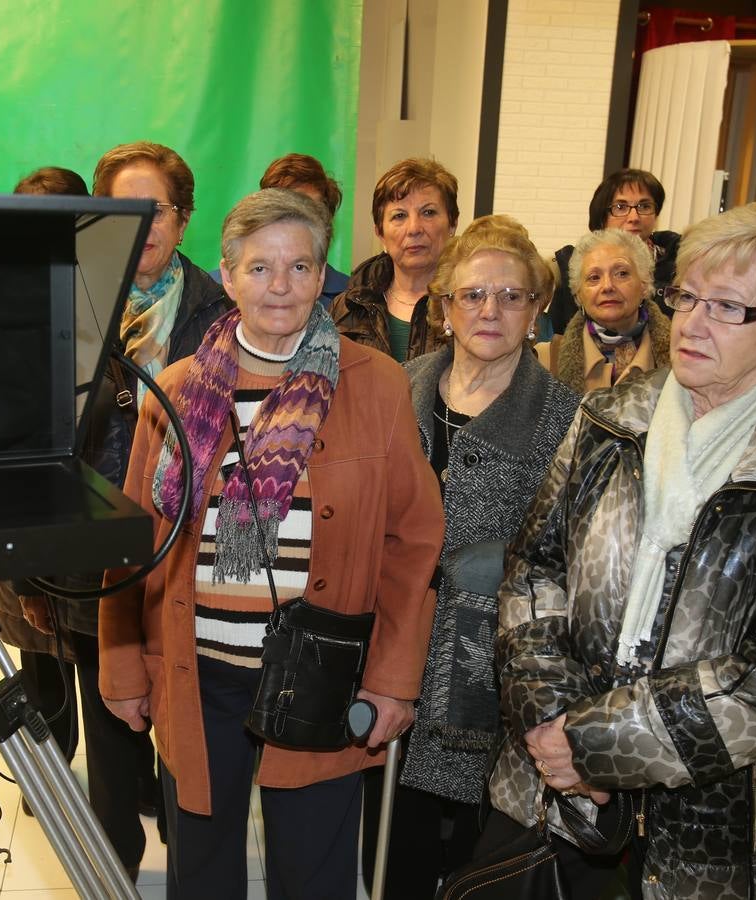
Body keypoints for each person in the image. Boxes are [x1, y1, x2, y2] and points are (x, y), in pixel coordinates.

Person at [489, 202, 756, 898]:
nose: (693, 323)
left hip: (713, 830)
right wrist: (552, 720)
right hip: (551, 791)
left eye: (729, 308)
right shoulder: (608, 416)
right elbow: (533, 569)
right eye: (688, 296)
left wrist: (596, 746)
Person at [99, 188, 443, 899]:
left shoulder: (374, 383)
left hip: (320, 677)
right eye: (259, 268)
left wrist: (391, 678)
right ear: (227, 276)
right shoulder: (177, 389)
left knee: (312, 875)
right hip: (198, 676)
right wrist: (123, 669)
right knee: (202, 873)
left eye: (298, 267)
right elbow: (132, 544)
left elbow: (412, 542)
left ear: (323, 276)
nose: (278, 286)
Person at [0, 144, 230, 880]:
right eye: (122, 208)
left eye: (156, 207)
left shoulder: (220, 314)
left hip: (190, 547)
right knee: (107, 713)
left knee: (189, 719)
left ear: (183, 219)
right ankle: (110, 866)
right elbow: (32, 448)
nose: (141, 224)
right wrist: (32, 570)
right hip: (91, 550)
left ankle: (195, 863)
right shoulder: (63, 304)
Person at [360, 216, 579, 898]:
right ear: (445, 305)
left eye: (512, 296)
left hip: (492, 671)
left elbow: (569, 552)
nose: (491, 309)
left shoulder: (568, 417)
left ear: (537, 310)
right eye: (474, 294)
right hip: (391, 639)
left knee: (472, 855)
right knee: (390, 843)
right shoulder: (401, 382)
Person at [0, 165, 94, 772]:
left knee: (104, 661)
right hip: (20, 511)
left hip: (91, 511)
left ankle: (121, 782)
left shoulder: (110, 299)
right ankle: (50, 772)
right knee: (40, 660)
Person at [331, 158, 459, 362]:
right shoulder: (347, 307)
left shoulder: (472, 306)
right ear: (380, 233)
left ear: (452, 224)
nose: (414, 228)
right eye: (399, 216)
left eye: (428, 212)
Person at [547, 168, 682, 337]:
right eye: (621, 207)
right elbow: (558, 333)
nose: (634, 217)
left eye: (644, 206)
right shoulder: (573, 266)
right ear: (602, 216)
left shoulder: (680, 267)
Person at [213, 153, 350, 304]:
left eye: (311, 211)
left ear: (327, 223)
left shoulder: (351, 298)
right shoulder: (212, 291)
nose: (280, 287)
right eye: (282, 211)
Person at [545, 227, 670, 395]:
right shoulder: (546, 359)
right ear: (578, 292)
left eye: (621, 273)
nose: (607, 286)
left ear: (644, 283)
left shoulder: (679, 359)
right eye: (594, 277)